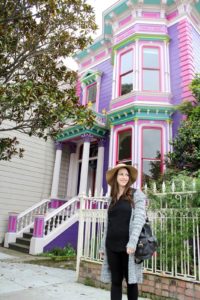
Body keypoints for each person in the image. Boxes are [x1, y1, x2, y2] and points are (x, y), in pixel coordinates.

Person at [99, 163, 146, 300]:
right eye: (121, 174)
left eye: (126, 174)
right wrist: (103, 246)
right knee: (116, 282)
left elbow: (139, 220)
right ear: (115, 177)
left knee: (131, 282)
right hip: (111, 245)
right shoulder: (112, 198)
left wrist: (132, 242)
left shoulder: (136, 194)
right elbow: (108, 225)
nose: (124, 177)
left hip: (128, 247)